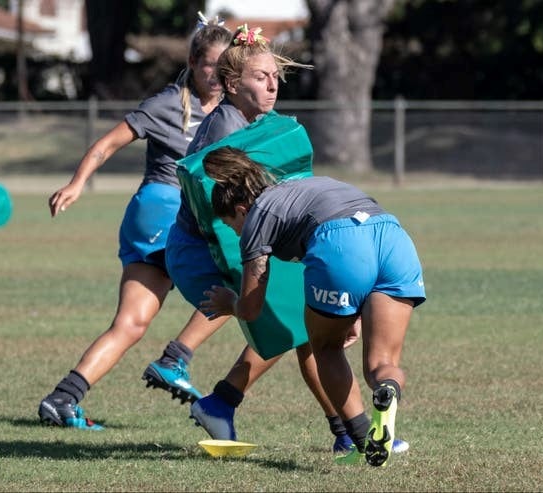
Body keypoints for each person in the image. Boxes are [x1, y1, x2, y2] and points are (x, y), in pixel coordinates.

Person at [144, 24, 403, 454]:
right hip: (206, 247)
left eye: (274, 76)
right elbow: (216, 207)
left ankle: (233, 405)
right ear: (231, 84)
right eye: (259, 76)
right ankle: (348, 435)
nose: (272, 84)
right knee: (304, 322)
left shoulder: (256, 120)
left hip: (237, 236)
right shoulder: (226, 126)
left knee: (309, 325)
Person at [36, 15, 233, 429]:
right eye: (210, 64)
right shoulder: (168, 103)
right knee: (238, 284)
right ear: (194, 62)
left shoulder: (231, 111)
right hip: (164, 211)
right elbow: (107, 144)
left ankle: (63, 399)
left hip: (176, 217)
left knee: (132, 323)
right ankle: (174, 359)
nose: (216, 74)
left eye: (225, 65)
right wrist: (76, 184)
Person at [199, 146, 426, 467]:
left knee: (325, 347)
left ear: (240, 209)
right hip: (393, 237)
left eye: (232, 226)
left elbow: (251, 308)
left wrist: (230, 303)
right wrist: (353, 309)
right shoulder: (301, 186)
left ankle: (362, 441)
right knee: (381, 364)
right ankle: (387, 390)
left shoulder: (258, 217)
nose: (238, 233)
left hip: (342, 244)